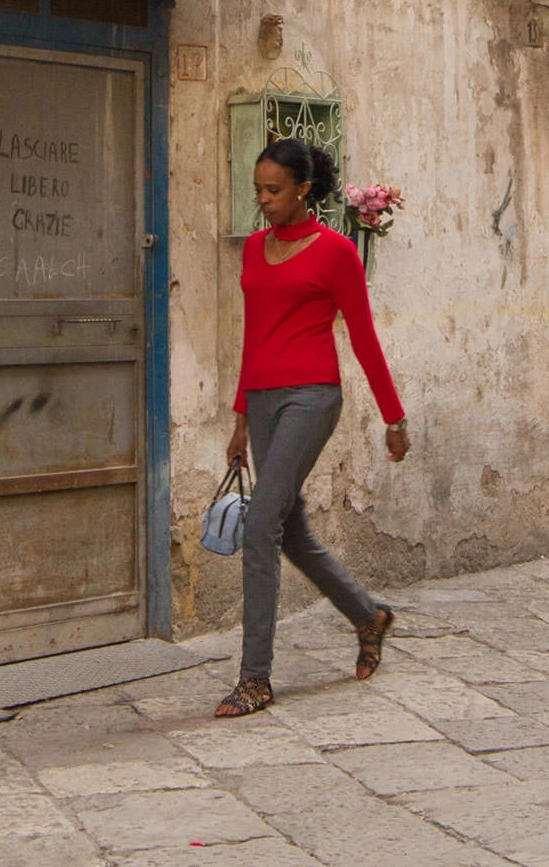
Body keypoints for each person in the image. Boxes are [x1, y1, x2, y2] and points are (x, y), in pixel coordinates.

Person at [214, 138, 409, 718]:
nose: (264, 201)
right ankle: (368, 615)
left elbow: (365, 338)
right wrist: (241, 418)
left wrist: (393, 417)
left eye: (274, 190)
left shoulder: (336, 252)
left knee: (260, 527)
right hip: (266, 400)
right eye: (258, 191)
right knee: (288, 528)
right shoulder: (253, 249)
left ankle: (255, 679)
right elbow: (253, 337)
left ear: (303, 188)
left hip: (312, 398)